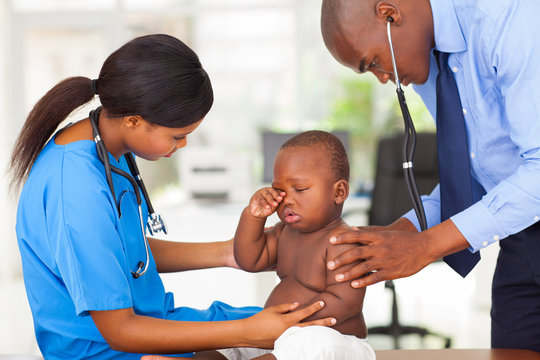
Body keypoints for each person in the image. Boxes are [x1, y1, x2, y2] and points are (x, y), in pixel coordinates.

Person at [10, 34, 335, 360]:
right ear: (134, 121)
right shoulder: (75, 188)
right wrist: (249, 331)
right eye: (177, 136)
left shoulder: (107, 145)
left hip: (150, 320)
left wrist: (230, 254)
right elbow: (119, 331)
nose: (182, 146)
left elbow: (120, 254)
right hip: (106, 349)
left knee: (305, 327)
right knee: (290, 344)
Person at [320, 0, 540, 352]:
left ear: (390, 14)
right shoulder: (429, 58)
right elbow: (477, 175)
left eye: (374, 62)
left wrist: (425, 247)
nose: (382, 78)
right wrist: (398, 234)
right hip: (522, 235)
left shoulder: (506, 17)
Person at [193, 130, 376, 360]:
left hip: (337, 343)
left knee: (309, 344)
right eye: (280, 190)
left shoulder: (343, 241)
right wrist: (253, 217)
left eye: (299, 189)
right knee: (226, 342)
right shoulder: (284, 233)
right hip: (280, 335)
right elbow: (249, 259)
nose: (286, 199)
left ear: (338, 192)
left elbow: (345, 302)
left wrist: (290, 324)